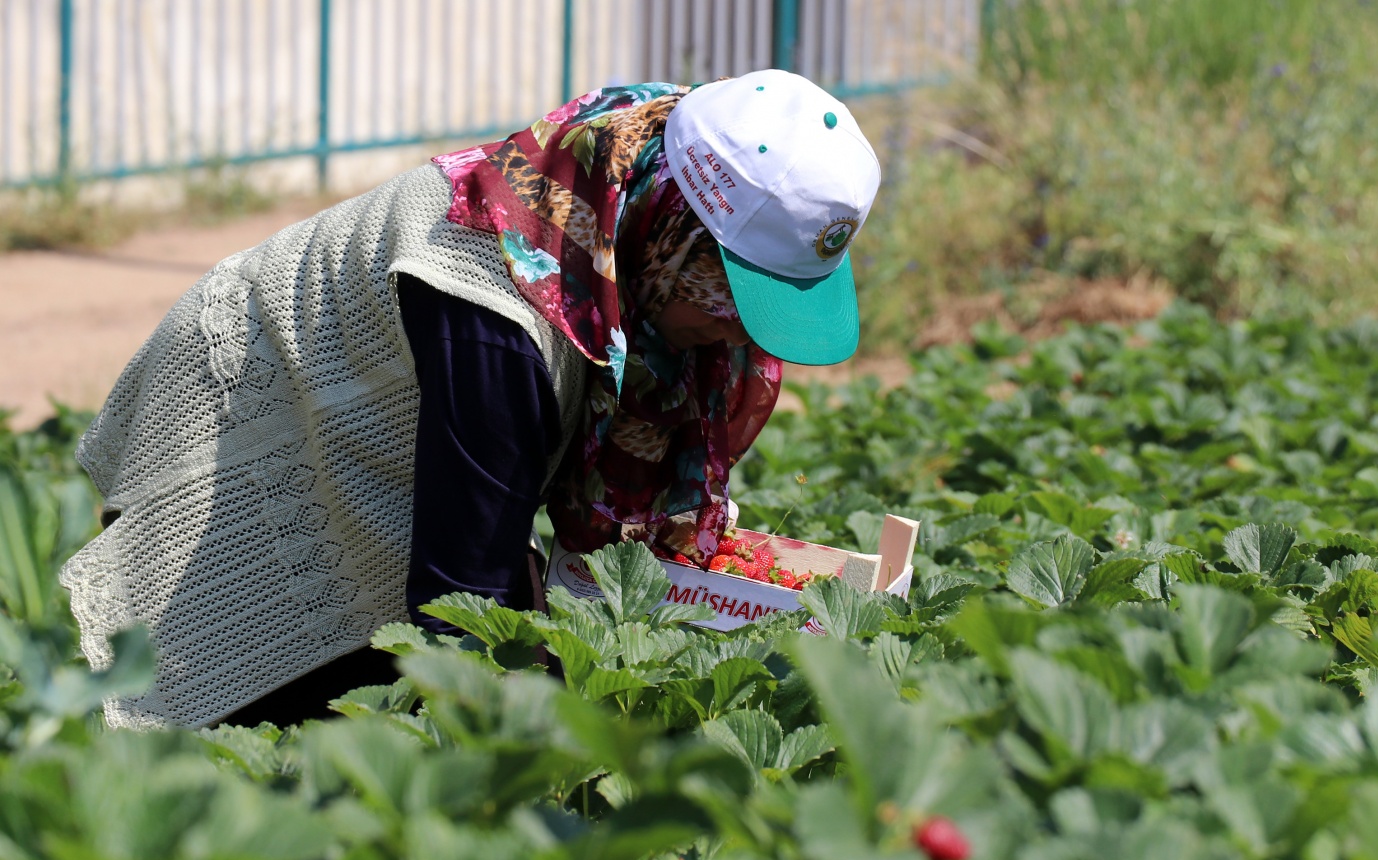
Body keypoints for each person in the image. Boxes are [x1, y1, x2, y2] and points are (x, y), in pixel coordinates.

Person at [60, 69, 883, 729]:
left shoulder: (622, 174)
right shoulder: (498, 314)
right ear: (670, 234)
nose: (741, 340)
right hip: (244, 415)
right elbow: (463, 600)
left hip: (391, 412)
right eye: (731, 300)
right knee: (282, 706)